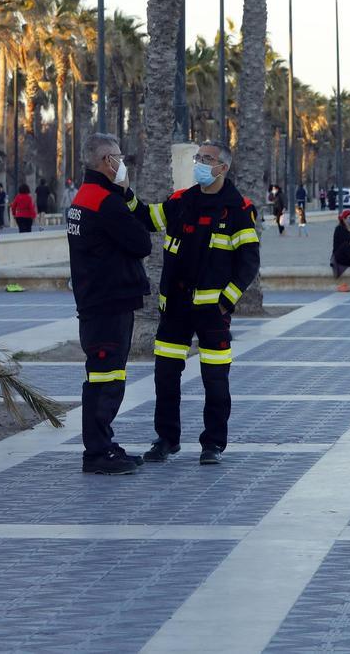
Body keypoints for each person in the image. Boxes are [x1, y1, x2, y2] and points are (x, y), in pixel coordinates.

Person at [134, 140, 261, 466]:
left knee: (215, 380)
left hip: (212, 313)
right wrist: (123, 191)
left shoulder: (237, 208)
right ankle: (167, 439)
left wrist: (225, 301)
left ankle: (213, 444)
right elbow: (148, 218)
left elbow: (248, 262)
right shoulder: (181, 201)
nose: (200, 163)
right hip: (175, 308)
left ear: (223, 167)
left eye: (208, 159)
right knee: (165, 376)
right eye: (199, 157)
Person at [67, 132, 153, 475]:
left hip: (95, 300)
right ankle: (97, 453)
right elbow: (141, 242)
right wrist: (124, 192)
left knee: (102, 376)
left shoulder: (83, 198)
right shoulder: (105, 201)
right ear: (107, 162)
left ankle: (103, 444)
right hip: (108, 302)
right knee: (106, 379)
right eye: (119, 157)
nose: (123, 163)